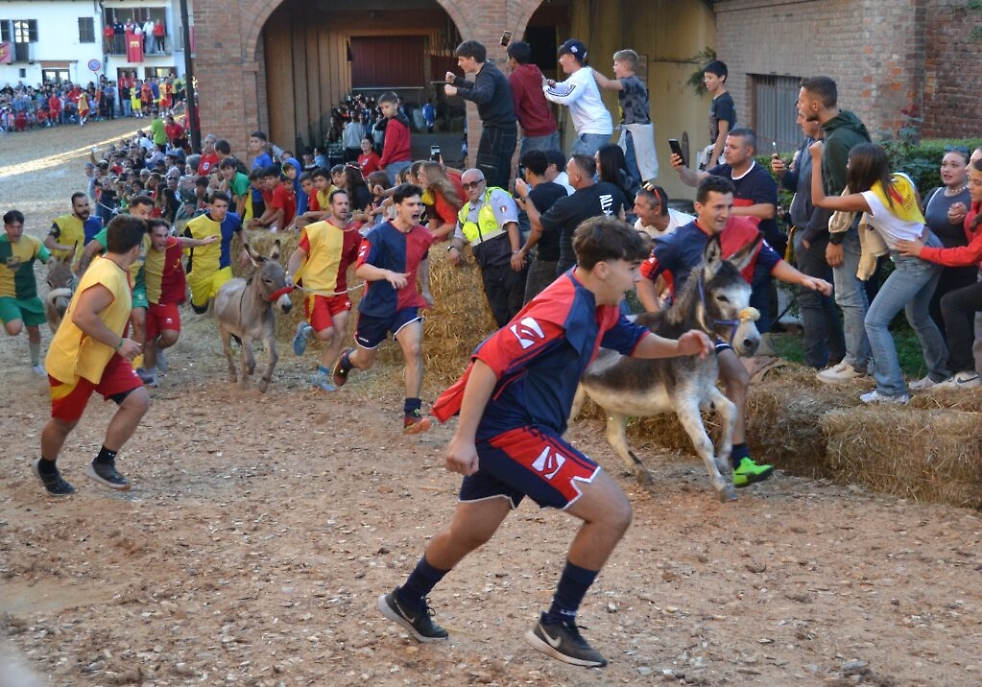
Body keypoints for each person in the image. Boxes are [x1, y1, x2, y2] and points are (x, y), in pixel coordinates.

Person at [376, 217, 713, 668]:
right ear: (603, 269)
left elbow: (630, 339)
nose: (638, 278)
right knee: (613, 512)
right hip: (513, 429)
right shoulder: (561, 308)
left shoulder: (597, 303)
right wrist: (462, 439)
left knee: (470, 531)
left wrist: (679, 346)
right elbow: (488, 359)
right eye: (632, 268)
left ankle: (407, 598)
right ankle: (558, 623)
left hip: (519, 428)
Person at [638, 175, 831, 484]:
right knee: (713, 384)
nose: (725, 214)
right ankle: (729, 456)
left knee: (738, 377)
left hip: (721, 330)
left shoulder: (746, 231)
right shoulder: (679, 240)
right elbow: (643, 277)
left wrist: (805, 279)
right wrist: (658, 320)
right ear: (699, 207)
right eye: (718, 207)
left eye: (729, 206)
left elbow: (772, 262)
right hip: (687, 332)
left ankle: (739, 461)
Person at [811, 142, 948, 404]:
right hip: (930, 244)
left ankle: (892, 390)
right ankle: (940, 375)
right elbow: (918, 211)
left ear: (861, 167)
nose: (848, 165)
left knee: (874, 321)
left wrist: (817, 159)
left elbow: (819, 200)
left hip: (913, 260)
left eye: (851, 162)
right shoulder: (901, 179)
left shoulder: (870, 199)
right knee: (918, 315)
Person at [34, 215, 151, 497]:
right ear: (135, 248)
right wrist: (120, 342)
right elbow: (83, 316)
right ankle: (47, 467)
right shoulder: (108, 275)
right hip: (76, 362)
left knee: (138, 401)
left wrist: (116, 345)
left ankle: (103, 463)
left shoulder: (113, 267)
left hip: (102, 356)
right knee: (64, 423)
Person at [331, 183, 435, 433]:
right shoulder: (377, 234)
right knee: (365, 361)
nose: (417, 208)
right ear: (397, 207)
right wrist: (388, 274)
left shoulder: (423, 236)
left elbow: (423, 258)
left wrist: (425, 288)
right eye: (411, 204)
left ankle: (412, 414)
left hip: (406, 305)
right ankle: (347, 360)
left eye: (420, 204)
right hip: (376, 308)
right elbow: (360, 268)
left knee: (415, 349)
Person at [797, 76, 873, 384]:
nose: (799, 108)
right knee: (853, 296)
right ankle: (860, 359)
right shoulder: (848, 128)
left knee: (849, 297)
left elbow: (847, 194)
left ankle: (855, 362)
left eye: (802, 102)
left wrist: (836, 239)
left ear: (815, 105)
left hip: (850, 229)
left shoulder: (837, 141)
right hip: (857, 225)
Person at [898, 156, 982, 389]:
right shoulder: (973, 203)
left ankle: (964, 372)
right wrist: (965, 214)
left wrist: (922, 251)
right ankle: (958, 372)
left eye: (976, 182)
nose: (970, 187)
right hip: (961, 272)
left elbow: (970, 254)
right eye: (971, 181)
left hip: (965, 271)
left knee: (952, 303)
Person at [770, 112, 845, 370]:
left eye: (801, 114)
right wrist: (783, 175)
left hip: (814, 234)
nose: (797, 120)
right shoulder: (806, 145)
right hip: (804, 230)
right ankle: (839, 353)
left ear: (817, 118)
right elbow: (801, 188)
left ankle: (815, 363)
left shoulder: (825, 150)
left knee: (809, 297)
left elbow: (827, 199)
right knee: (821, 296)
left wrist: (810, 235)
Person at [288, 189, 363, 393]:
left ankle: (319, 377)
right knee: (326, 334)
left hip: (338, 292)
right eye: (339, 203)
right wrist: (289, 274)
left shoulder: (354, 235)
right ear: (330, 207)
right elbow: (298, 255)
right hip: (316, 289)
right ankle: (306, 331)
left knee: (340, 334)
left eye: (346, 203)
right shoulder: (317, 230)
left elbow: (362, 258)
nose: (343, 207)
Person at [139, 219, 218, 388]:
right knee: (149, 340)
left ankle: (159, 349)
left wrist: (202, 243)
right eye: (158, 236)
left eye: (165, 235)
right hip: (147, 301)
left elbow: (181, 241)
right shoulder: (142, 249)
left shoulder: (172, 244)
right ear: (149, 236)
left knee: (171, 336)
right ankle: (151, 373)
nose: (163, 239)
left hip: (166, 299)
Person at [521, 154, 627, 275]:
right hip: (607, 263)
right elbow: (622, 217)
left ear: (577, 177)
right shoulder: (612, 190)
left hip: (574, 269)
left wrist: (526, 196)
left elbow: (539, 224)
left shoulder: (568, 204)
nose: (566, 172)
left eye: (569, 170)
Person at [446, 169, 527, 328]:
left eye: (474, 184)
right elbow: (458, 237)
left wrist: (516, 253)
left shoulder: (496, 196)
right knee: (499, 311)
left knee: (516, 308)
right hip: (489, 268)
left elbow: (511, 224)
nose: (470, 189)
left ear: (484, 182)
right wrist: (452, 248)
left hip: (509, 262)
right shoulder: (464, 213)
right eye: (466, 186)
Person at [918, 147, 976, 350]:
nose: (947, 169)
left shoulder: (973, 196)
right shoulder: (935, 193)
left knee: (960, 322)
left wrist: (966, 216)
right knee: (934, 316)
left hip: (961, 272)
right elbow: (921, 223)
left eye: (954, 165)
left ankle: (964, 370)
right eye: (944, 164)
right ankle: (941, 369)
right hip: (933, 270)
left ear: (967, 169)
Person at [445, 40, 518, 189]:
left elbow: (484, 95)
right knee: (498, 171)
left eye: (461, 59)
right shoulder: (488, 71)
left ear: (472, 58)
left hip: (498, 131)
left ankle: (492, 208)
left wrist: (457, 91)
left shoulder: (487, 74)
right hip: (501, 130)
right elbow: (478, 88)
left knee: (489, 173)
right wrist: (457, 81)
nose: (459, 64)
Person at [592, 48, 659, 186]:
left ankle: (636, 196)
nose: (614, 68)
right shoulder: (632, 82)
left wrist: (589, 71)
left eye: (616, 64)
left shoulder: (631, 82)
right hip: (630, 130)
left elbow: (606, 84)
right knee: (628, 163)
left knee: (631, 166)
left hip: (636, 131)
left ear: (624, 66)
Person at [1, 210, 54, 375]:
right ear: (5, 227)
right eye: (12, 227)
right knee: (14, 329)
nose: (16, 231)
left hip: (29, 295)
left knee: (34, 330)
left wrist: (54, 264)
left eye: (19, 227)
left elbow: (48, 258)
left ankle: (35, 363)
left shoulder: (33, 242)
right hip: (6, 295)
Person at [513, 150, 568, 302]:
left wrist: (522, 251)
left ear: (527, 171)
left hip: (545, 257)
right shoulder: (560, 190)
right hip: (563, 254)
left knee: (532, 304)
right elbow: (549, 214)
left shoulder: (534, 196)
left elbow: (537, 229)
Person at [542, 40, 613, 157]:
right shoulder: (580, 75)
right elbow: (565, 87)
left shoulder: (581, 77)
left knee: (582, 167)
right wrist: (554, 85)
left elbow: (567, 97)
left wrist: (546, 89)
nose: (560, 61)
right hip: (594, 129)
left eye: (562, 57)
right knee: (585, 166)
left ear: (571, 57)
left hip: (594, 129)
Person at [183, 192, 246, 314]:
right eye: (218, 206)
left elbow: (240, 230)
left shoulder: (232, 219)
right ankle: (195, 300)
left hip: (222, 267)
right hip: (199, 270)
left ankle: (234, 328)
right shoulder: (194, 225)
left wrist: (245, 248)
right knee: (200, 308)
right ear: (210, 206)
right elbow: (181, 243)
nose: (222, 210)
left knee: (229, 297)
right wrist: (201, 242)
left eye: (225, 206)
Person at [506, 41, 560, 155]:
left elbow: (513, 107)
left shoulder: (515, 77)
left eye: (508, 58)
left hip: (536, 133)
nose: (507, 62)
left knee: (529, 170)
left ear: (513, 60)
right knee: (553, 168)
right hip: (551, 127)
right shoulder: (536, 70)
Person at [46, 193, 98, 269]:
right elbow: (48, 242)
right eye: (80, 206)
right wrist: (67, 248)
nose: (84, 209)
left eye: (86, 205)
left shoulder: (96, 223)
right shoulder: (63, 222)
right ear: (73, 208)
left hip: (88, 269)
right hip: (65, 270)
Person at [700, 60, 735, 171]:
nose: (706, 81)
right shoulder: (717, 100)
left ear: (721, 78)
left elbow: (723, 133)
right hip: (717, 151)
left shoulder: (724, 101)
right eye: (705, 78)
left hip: (723, 156)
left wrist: (713, 161)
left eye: (710, 78)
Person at [416, 161, 463, 241]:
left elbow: (451, 223)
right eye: (418, 173)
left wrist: (427, 236)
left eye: (421, 174)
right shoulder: (446, 179)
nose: (418, 177)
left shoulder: (441, 194)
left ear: (431, 176)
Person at [377, 93, 413, 185]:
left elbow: (388, 146)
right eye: (382, 108)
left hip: (394, 163)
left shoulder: (393, 123)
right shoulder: (404, 120)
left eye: (387, 107)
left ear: (396, 105)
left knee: (396, 192)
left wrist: (382, 163)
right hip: (407, 161)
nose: (384, 110)